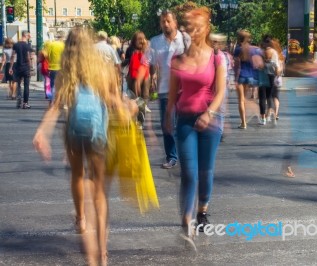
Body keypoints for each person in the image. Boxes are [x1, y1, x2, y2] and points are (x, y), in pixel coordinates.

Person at [32, 26, 128, 265]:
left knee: (77, 175)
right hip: (97, 132)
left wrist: (42, 132)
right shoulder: (103, 70)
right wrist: (128, 111)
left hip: (74, 131)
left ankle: (81, 219)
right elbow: (114, 99)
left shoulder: (66, 73)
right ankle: (103, 253)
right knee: (99, 189)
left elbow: (55, 106)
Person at [166, 6, 226, 242]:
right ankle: (187, 217)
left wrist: (209, 113)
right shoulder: (177, 59)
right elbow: (172, 95)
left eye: (199, 26)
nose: (194, 30)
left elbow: (221, 91)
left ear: (206, 28)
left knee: (205, 170)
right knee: (189, 172)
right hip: (184, 120)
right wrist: (166, 117)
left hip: (210, 121)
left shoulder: (216, 57)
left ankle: (202, 211)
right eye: (191, 26)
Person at [139, 10, 187, 169]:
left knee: (185, 125)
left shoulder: (186, 40)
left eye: (168, 21)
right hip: (165, 89)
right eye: (162, 21)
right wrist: (146, 81)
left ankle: (187, 155)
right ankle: (172, 156)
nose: (165, 24)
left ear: (175, 23)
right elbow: (146, 63)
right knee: (167, 126)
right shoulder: (155, 42)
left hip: (186, 89)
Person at [233, 30, 258, 129]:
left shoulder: (238, 49)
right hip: (249, 76)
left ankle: (243, 123)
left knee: (241, 100)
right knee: (244, 99)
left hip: (240, 76)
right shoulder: (252, 49)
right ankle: (246, 118)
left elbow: (236, 65)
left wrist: (235, 78)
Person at [9, 30, 34, 109]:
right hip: (26, 67)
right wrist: (30, 67)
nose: (29, 37)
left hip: (18, 67)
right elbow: (29, 57)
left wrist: (10, 67)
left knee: (18, 84)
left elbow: (13, 56)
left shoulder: (16, 45)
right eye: (29, 36)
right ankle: (25, 103)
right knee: (26, 86)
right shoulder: (28, 46)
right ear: (26, 36)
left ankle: (19, 97)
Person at [46, 31, 65, 103]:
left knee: (52, 85)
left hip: (52, 67)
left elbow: (48, 56)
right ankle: (59, 100)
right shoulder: (63, 45)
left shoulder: (52, 44)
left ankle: (51, 99)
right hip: (61, 68)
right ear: (63, 37)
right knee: (61, 85)